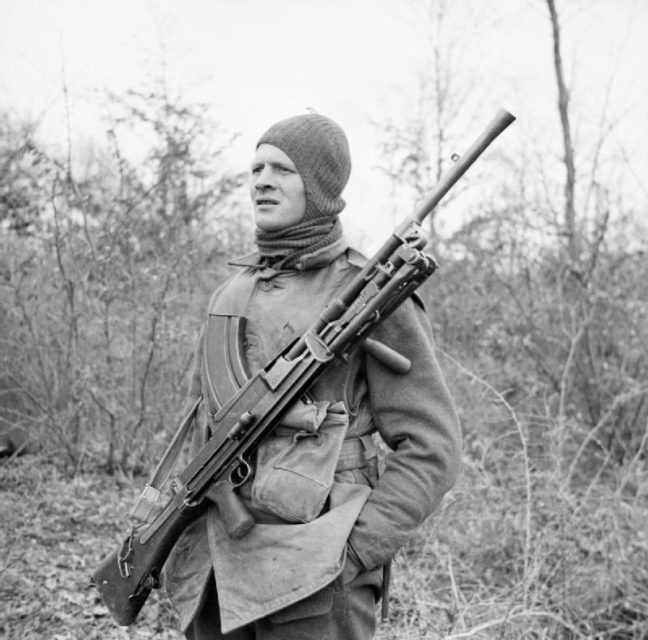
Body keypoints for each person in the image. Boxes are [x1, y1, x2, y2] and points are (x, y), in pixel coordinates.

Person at [163, 113, 462, 640]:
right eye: (256, 167)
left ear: (320, 186)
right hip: (215, 571)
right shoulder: (231, 293)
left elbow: (433, 445)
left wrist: (356, 547)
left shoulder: (370, 293)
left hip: (316, 575)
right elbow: (199, 429)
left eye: (282, 168)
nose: (261, 180)